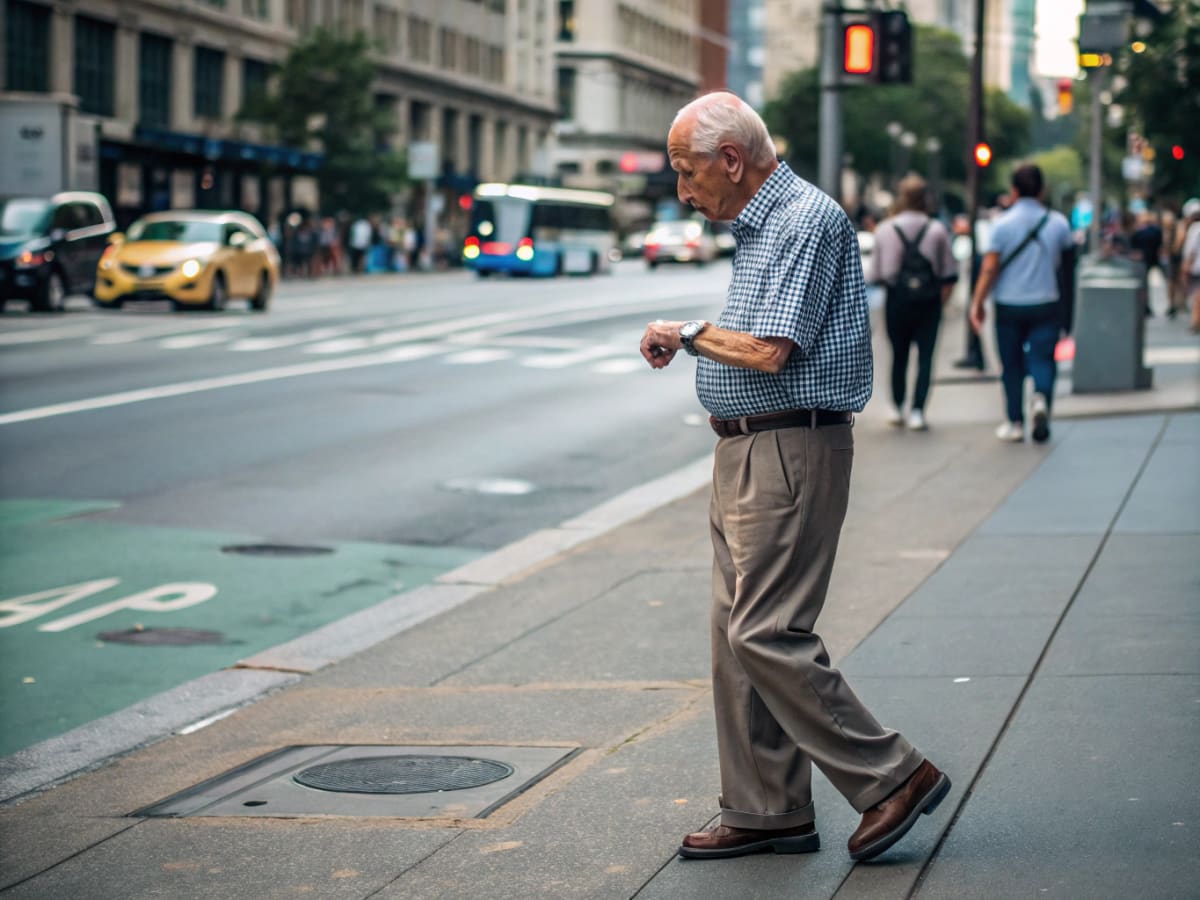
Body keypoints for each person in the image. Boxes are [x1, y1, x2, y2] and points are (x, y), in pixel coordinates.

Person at [640, 92, 949, 864]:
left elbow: (773, 350)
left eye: (688, 172)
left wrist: (686, 334)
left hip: (788, 450)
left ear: (731, 160)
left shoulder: (800, 220)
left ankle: (892, 776)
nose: (684, 191)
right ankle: (766, 808)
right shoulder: (762, 224)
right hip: (750, 449)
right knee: (733, 636)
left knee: (765, 631)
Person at [969, 164, 1075, 444]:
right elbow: (1067, 272)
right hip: (1047, 303)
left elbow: (990, 268)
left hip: (1008, 305)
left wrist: (977, 302)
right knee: (1042, 359)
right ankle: (1040, 398)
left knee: (1012, 365)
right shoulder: (1059, 224)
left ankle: (1015, 422)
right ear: (1042, 190)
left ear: (1014, 190)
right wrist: (1068, 315)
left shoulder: (1001, 225)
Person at [868, 174, 958, 430]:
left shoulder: (886, 229)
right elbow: (949, 274)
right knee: (926, 357)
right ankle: (918, 410)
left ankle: (897, 406)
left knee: (899, 355)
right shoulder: (937, 229)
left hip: (897, 301)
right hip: (929, 303)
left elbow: (875, 274)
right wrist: (943, 302)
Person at [1182, 198, 1200, 334]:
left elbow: (1191, 251)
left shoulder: (1195, 229)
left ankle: (1195, 323)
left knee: (1197, 296)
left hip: (1196, 268)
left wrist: (1186, 266)